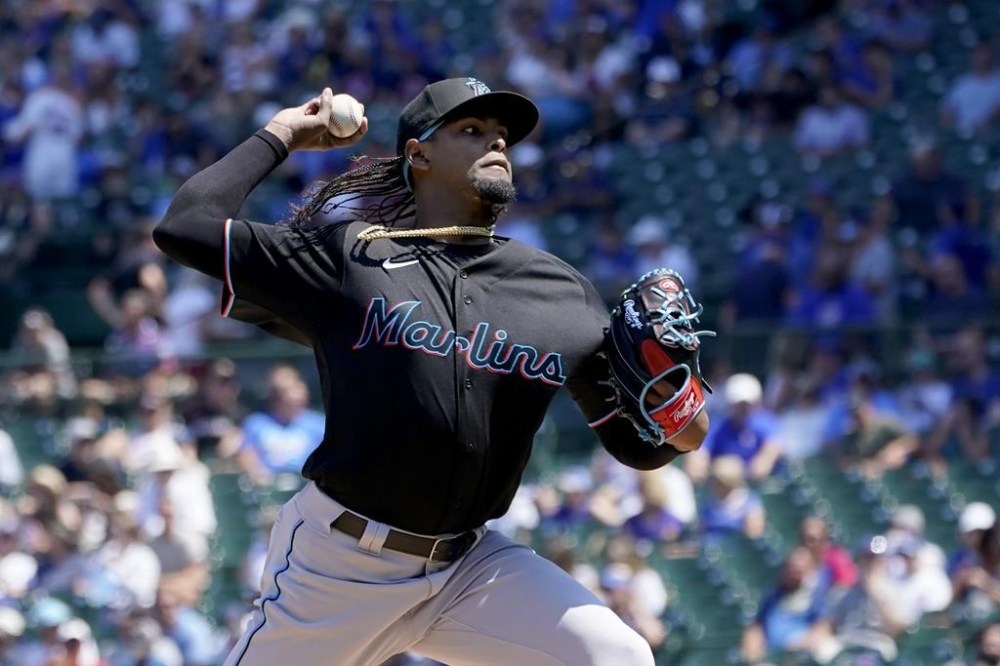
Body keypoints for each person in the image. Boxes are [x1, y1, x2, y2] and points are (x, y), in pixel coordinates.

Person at [153, 78, 710, 665]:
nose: (496, 143)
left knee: (616, 656)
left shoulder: (560, 291)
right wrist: (285, 133)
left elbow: (640, 446)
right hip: (342, 563)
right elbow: (187, 225)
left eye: (501, 136)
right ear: (417, 154)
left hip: (470, 570)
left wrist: (678, 400)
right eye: (471, 131)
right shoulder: (352, 258)